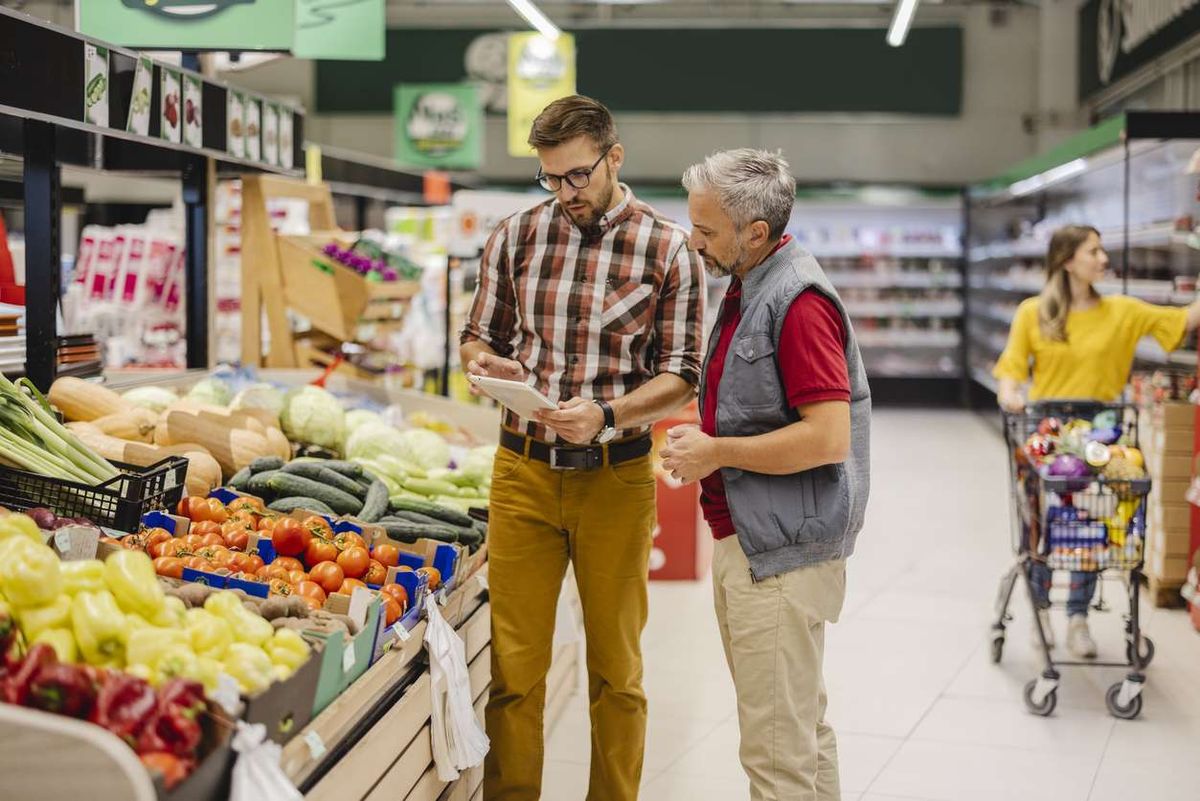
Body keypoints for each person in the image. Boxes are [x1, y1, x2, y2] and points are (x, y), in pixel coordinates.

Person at [460, 95, 704, 801]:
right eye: (551, 178)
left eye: (577, 176)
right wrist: (488, 364)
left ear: (613, 157)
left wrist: (607, 413)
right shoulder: (515, 236)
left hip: (616, 480)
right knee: (515, 670)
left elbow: (682, 371)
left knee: (616, 673)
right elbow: (477, 336)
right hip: (522, 474)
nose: (565, 193)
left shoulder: (667, 249)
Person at [661, 149, 871, 801]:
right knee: (800, 731)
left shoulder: (797, 301)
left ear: (755, 231)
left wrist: (716, 452)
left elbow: (827, 437)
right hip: (757, 540)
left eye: (707, 230)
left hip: (778, 557)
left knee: (775, 757)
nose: (694, 242)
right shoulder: (749, 281)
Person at [994, 224, 1200, 658]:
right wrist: (1011, 396)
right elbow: (1011, 372)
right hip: (1047, 432)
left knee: (1091, 526)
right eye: (1095, 251)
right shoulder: (1034, 313)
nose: (1104, 259)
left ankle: (1078, 617)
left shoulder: (1122, 311)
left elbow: (1182, 319)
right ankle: (1042, 610)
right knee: (1041, 526)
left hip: (1102, 433)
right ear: (1068, 259)